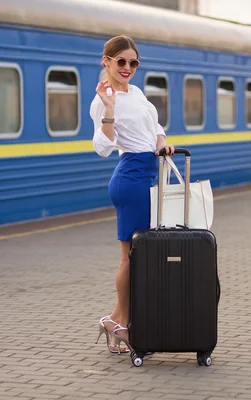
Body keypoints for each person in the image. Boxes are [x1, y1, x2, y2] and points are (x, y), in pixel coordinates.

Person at [91, 35, 174, 354]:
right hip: (130, 177)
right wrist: (110, 109)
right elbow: (102, 147)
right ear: (106, 61)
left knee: (140, 255)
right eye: (121, 61)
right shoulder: (102, 99)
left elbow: (155, 126)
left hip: (148, 174)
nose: (127, 68)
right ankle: (123, 323)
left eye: (133, 63)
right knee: (130, 256)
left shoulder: (137, 93)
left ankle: (113, 321)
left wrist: (162, 141)